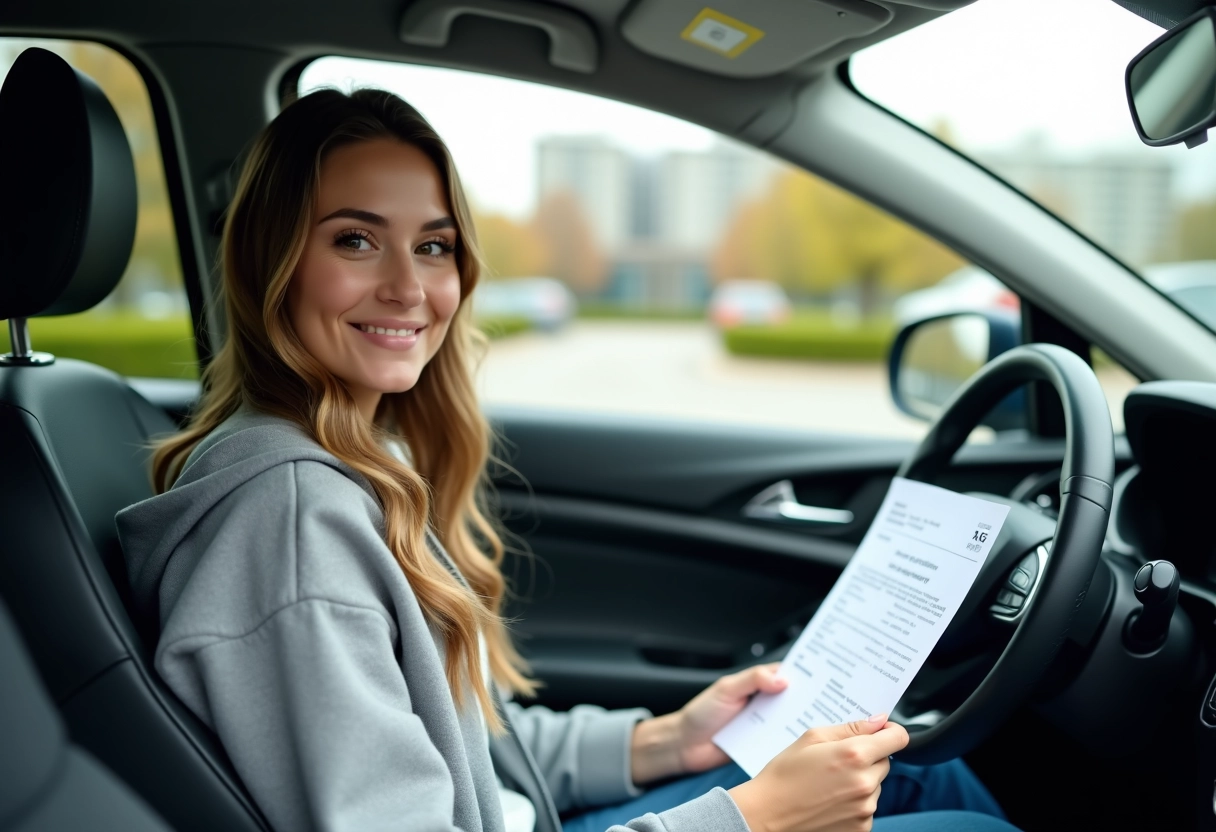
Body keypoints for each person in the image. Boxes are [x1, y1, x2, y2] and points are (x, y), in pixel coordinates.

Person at [115, 88, 1021, 832]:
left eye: (433, 246)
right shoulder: (290, 523)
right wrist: (752, 820)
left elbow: (465, 749)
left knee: (922, 777)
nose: (409, 286)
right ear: (271, 261)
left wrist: (666, 742)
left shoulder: (355, 461)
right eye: (355, 240)